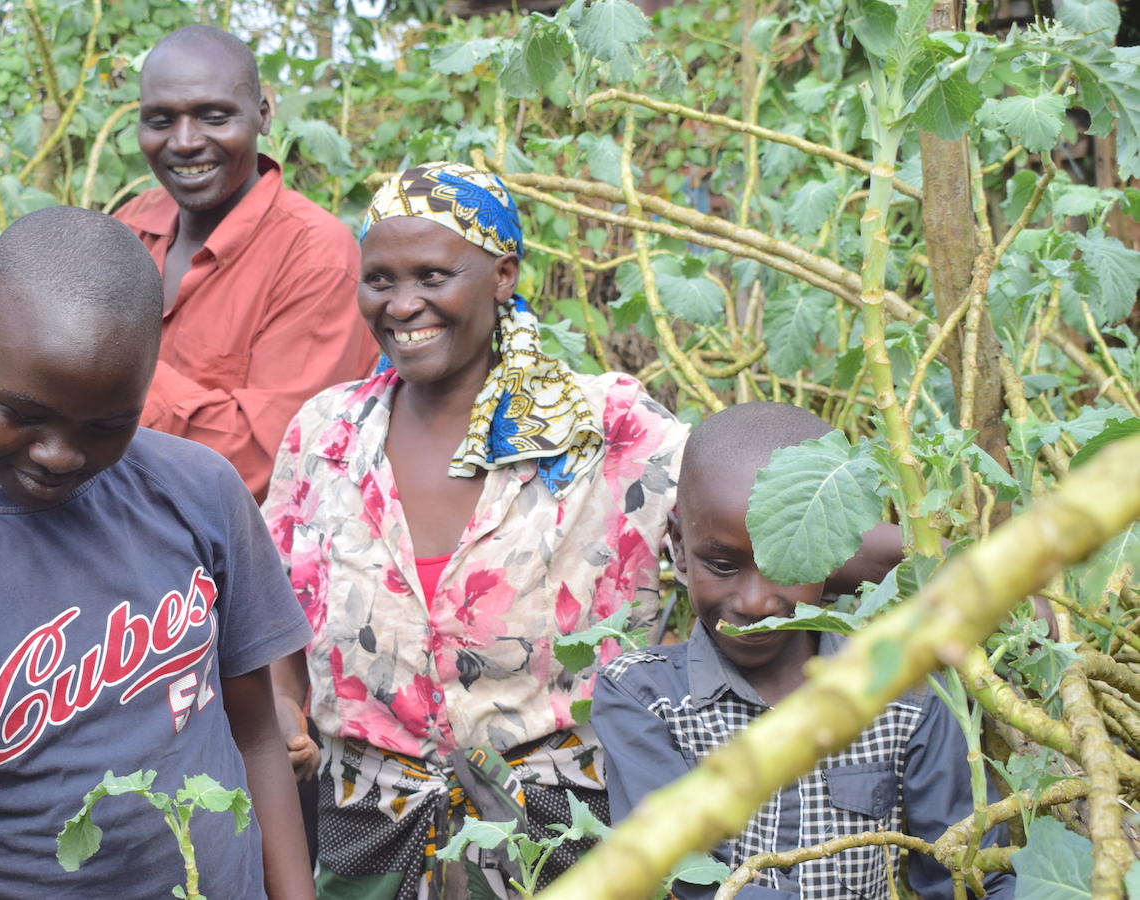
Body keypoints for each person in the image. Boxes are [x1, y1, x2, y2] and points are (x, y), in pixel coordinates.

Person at [261, 165, 902, 900]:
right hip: (369, 822)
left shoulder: (605, 429)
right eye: (379, 280)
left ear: (502, 276)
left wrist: (938, 566)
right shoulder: (328, 433)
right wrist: (284, 707)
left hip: (563, 826)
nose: (403, 305)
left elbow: (761, 521)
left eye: (432, 276)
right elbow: (281, 599)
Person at [0, 207, 315, 900]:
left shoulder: (198, 490)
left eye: (107, 424)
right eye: (24, 414)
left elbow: (254, 737)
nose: (60, 454)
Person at [592, 402, 1015, 900]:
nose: (755, 602)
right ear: (679, 547)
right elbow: (678, 874)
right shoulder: (643, 698)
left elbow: (966, 876)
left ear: (833, 555)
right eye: (723, 565)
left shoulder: (911, 694)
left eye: (786, 563)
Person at [114, 24, 379, 504]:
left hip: (223, 553)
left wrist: (111, 362)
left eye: (214, 117)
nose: (185, 142)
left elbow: (271, 461)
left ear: (263, 117)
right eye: (159, 120)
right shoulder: (128, 225)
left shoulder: (316, 258)